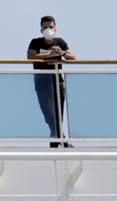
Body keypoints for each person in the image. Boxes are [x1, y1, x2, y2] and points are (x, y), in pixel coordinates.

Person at [27, 16, 76, 148]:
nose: (48, 29)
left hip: (57, 81)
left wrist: (62, 52)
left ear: (55, 28)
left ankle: (56, 140)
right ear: (41, 29)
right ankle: (60, 138)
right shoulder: (35, 42)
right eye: (45, 27)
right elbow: (30, 56)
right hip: (42, 82)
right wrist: (49, 54)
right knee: (48, 114)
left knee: (58, 112)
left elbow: (73, 57)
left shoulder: (60, 42)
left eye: (50, 27)